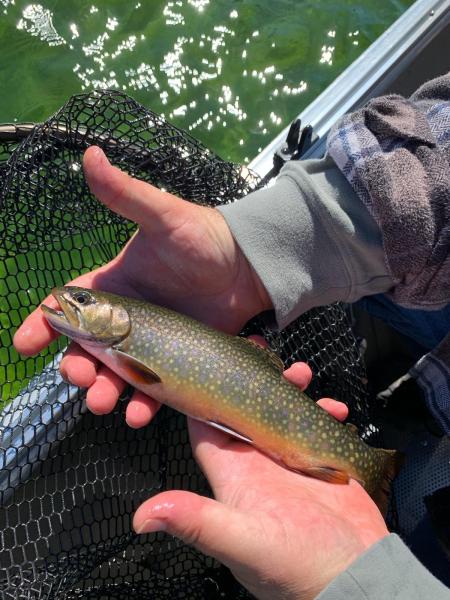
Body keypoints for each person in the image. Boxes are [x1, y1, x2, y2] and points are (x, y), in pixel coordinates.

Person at [14, 74, 450, 599]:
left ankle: (377, 460)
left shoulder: (128, 351)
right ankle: (388, 442)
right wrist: (255, 249)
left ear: (115, 318)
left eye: (85, 304)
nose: (70, 303)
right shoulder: (123, 343)